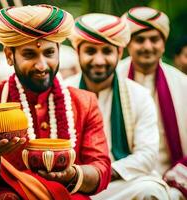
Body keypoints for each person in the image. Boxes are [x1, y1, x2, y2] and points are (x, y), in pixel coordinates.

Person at [0, 4, 111, 200]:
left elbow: (101, 169)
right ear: (9, 56)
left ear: (58, 52)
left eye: (49, 53)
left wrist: (71, 174)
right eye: (29, 54)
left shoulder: (84, 102)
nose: (41, 65)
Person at [66, 13, 170, 200]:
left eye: (107, 51)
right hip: (74, 183)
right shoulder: (64, 92)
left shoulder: (138, 95)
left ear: (120, 53)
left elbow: (147, 155)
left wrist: (99, 175)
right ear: (78, 53)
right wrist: (77, 176)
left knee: (151, 190)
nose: (99, 61)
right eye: (90, 51)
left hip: (120, 184)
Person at [118, 6, 187, 199]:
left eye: (154, 39)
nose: (147, 46)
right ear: (128, 45)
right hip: (126, 181)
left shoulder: (183, 84)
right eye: (139, 40)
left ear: (163, 44)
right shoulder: (113, 81)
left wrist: (176, 184)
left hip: (175, 181)